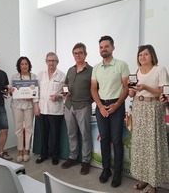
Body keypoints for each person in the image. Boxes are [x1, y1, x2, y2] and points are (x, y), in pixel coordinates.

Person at [129, 45, 169, 193]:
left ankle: (154, 183)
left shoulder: (160, 69)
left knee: (153, 145)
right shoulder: (137, 72)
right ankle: (144, 178)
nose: (142, 57)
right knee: (141, 145)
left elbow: (165, 90)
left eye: (146, 54)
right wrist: (131, 89)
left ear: (152, 55)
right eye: (140, 55)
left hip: (153, 108)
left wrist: (145, 87)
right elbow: (131, 95)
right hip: (138, 108)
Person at [91, 36, 130, 187]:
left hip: (117, 105)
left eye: (107, 46)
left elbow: (127, 87)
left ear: (113, 48)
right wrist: (100, 106)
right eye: (101, 47)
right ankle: (106, 169)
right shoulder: (96, 67)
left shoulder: (121, 65)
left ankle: (117, 173)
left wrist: (117, 104)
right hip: (101, 106)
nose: (104, 49)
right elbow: (93, 88)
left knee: (116, 139)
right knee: (105, 138)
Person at [61, 43, 93, 175]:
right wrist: (64, 91)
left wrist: (88, 101)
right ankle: (73, 157)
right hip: (69, 106)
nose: (77, 55)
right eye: (75, 53)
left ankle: (86, 161)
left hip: (83, 106)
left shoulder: (92, 71)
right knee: (71, 134)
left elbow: (97, 89)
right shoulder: (70, 70)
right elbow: (66, 84)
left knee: (85, 135)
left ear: (85, 54)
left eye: (80, 53)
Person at [35, 52, 65, 165]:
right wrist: (36, 106)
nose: (51, 62)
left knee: (55, 135)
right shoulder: (40, 75)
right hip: (42, 109)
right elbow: (35, 92)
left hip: (55, 110)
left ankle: (55, 155)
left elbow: (65, 93)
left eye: (53, 60)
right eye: (49, 60)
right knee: (44, 134)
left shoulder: (62, 76)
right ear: (46, 62)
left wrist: (59, 96)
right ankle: (43, 154)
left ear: (57, 62)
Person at [10, 56, 37, 162]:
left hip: (29, 105)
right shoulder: (15, 76)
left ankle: (27, 150)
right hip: (16, 105)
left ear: (29, 65)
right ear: (19, 66)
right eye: (22, 64)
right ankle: (20, 150)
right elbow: (11, 90)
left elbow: (36, 92)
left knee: (29, 128)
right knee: (18, 128)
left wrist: (32, 96)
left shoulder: (33, 76)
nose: (24, 66)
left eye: (26, 64)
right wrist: (11, 90)